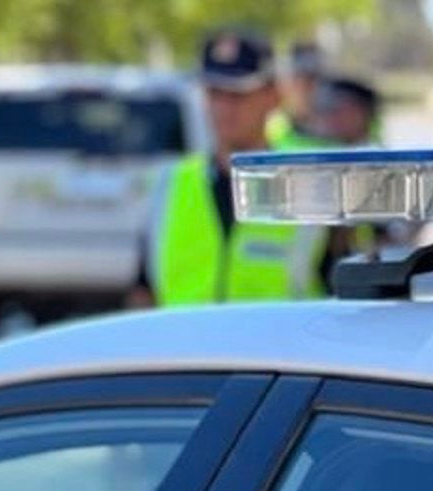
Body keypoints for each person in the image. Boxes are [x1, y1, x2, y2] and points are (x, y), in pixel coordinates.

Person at [130, 29, 339, 308]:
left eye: (238, 94)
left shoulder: (309, 185)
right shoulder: (172, 182)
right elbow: (143, 293)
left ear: (274, 95)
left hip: (278, 350)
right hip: (183, 350)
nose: (223, 108)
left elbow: (342, 289)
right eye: (214, 93)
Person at [268, 41, 328, 149]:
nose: (309, 88)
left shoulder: (341, 127)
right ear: (286, 84)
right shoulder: (271, 130)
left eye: (314, 78)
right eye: (301, 79)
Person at [313, 74, 382, 148]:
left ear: (362, 112)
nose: (330, 117)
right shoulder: (318, 152)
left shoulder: (380, 155)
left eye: (338, 110)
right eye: (325, 110)